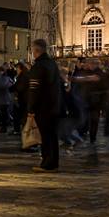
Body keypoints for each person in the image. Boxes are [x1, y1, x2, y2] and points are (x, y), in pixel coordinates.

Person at [27, 39, 62, 172]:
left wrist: (31, 107)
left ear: (36, 51)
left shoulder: (39, 66)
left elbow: (34, 89)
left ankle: (47, 162)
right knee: (52, 135)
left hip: (43, 107)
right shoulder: (52, 64)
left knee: (45, 136)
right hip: (54, 105)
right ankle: (54, 162)